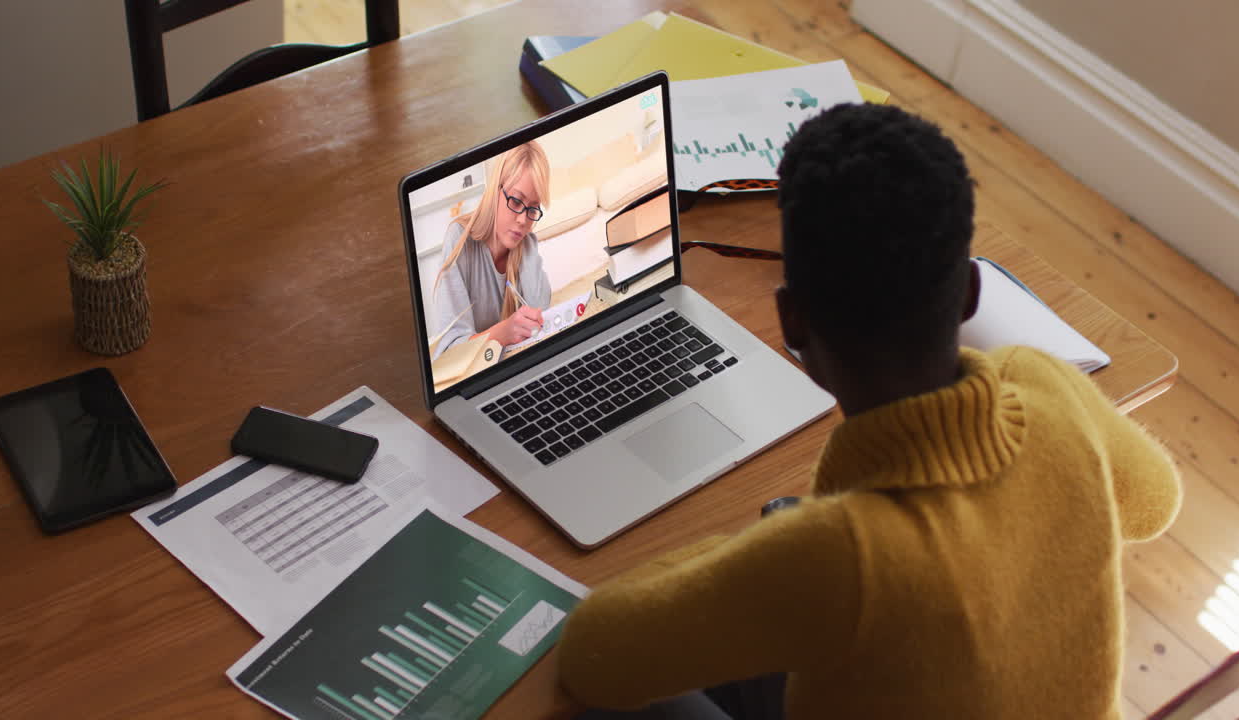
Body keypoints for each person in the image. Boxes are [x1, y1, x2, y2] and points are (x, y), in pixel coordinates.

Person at [556, 103, 1182, 718]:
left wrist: (764, 552)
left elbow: (593, 655)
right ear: (968, 291)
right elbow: (1155, 503)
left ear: (792, 320)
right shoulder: (1046, 384)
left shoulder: (835, 556)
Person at [430, 141, 553, 359]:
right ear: (495, 190)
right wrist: (503, 333)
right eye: (516, 201)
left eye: (533, 208)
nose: (523, 220)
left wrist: (529, 247)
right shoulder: (459, 240)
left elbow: (541, 317)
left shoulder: (527, 243)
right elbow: (450, 351)